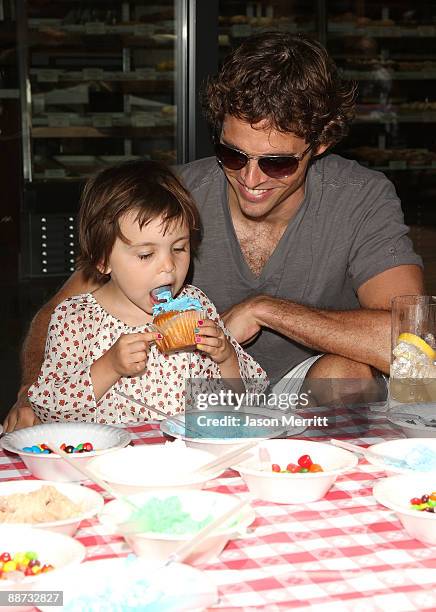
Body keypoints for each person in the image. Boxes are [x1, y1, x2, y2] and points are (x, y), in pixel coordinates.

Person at [4, 32, 423, 431]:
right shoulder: (172, 202)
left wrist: (265, 310)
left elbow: (414, 345)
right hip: (199, 401)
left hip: (299, 395)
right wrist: (29, 396)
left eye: (277, 162)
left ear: (320, 143)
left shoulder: (359, 197)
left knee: (347, 375)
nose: (251, 178)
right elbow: (60, 311)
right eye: (232, 153)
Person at [26, 160, 265, 424]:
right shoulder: (75, 320)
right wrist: (109, 366)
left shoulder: (196, 306)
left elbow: (250, 398)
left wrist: (226, 357)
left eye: (179, 249)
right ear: (103, 260)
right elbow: (48, 410)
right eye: (146, 254)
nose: (168, 267)